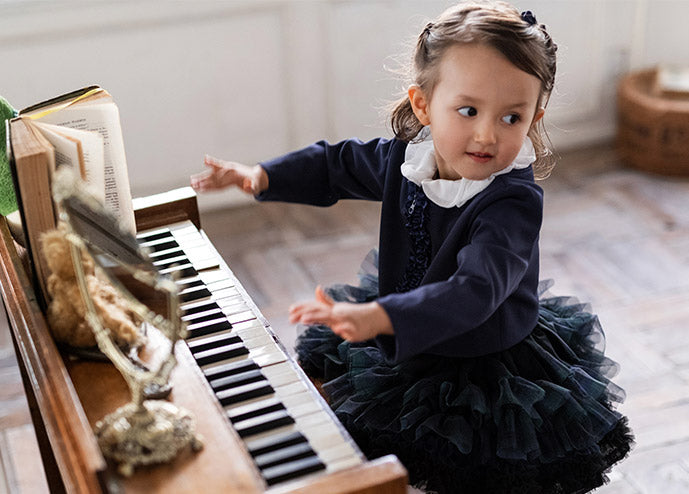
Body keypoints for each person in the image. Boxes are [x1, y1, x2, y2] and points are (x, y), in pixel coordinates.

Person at [191, 2, 632, 492]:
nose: (487, 133)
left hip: (481, 361)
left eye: (512, 117)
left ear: (534, 118)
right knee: (390, 448)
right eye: (468, 110)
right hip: (407, 329)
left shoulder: (512, 203)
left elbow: (474, 291)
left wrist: (385, 318)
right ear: (423, 105)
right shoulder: (409, 158)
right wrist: (262, 176)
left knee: (473, 468)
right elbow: (337, 165)